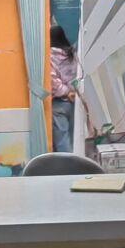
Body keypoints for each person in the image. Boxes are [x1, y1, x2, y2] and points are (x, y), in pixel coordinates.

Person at [49, 23, 78, 154]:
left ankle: (68, 166)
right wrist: (72, 92)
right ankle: (77, 164)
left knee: (62, 142)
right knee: (74, 139)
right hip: (75, 101)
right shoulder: (72, 54)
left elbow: (54, 83)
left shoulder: (50, 56)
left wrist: (66, 92)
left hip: (59, 103)